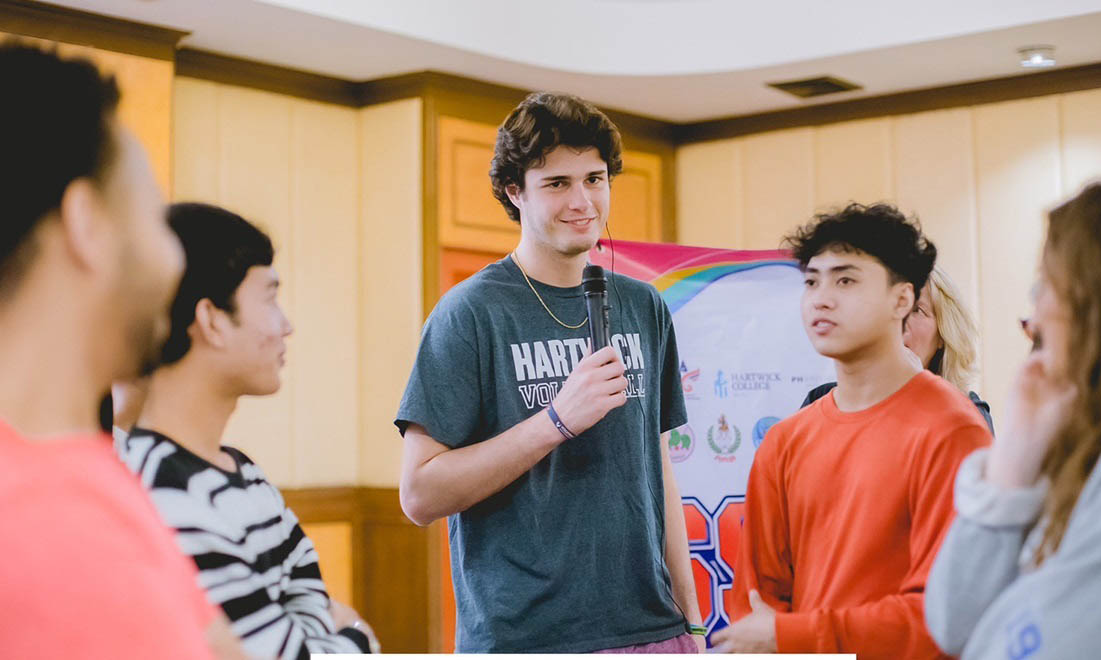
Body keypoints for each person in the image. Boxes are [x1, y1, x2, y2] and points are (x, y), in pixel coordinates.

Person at [395, 92, 703, 653]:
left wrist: (693, 623)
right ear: (515, 192)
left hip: (654, 632)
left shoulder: (643, 305)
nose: (583, 200)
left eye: (595, 178)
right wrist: (557, 420)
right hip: (528, 639)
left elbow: (658, 471)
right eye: (557, 183)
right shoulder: (469, 313)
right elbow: (419, 494)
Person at [0, 42, 243, 659]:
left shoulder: (84, 468)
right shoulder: (50, 520)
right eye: (154, 218)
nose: (174, 257)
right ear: (87, 223)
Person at [713, 203, 991, 656]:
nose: (822, 298)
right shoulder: (785, 442)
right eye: (811, 281)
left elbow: (943, 617)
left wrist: (793, 637)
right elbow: (756, 612)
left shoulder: (953, 431)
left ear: (902, 299)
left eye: (845, 280)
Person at [120, 202, 379, 657]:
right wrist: (357, 634)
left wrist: (328, 631)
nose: (286, 325)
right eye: (270, 298)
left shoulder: (246, 474)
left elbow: (306, 613)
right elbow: (314, 633)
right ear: (212, 320)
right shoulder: (160, 488)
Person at [925, 181, 1101, 659]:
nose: (1034, 315)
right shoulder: (1090, 433)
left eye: (1045, 286)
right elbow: (952, 623)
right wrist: (1011, 467)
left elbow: (1046, 643)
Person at [802, 267, 994, 433]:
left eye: (917, 309)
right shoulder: (820, 402)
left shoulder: (968, 413)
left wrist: (919, 391)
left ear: (943, 336)